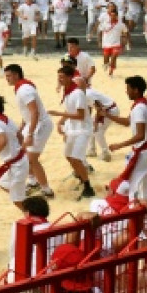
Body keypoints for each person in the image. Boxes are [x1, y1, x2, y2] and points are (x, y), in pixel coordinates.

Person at [107, 76, 147, 202]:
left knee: (134, 188)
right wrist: (107, 115)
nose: (126, 91)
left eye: (128, 89)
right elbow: (128, 122)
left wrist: (119, 145)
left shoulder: (139, 108)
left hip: (145, 152)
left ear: (136, 90)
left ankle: (137, 218)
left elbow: (140, 135)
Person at [5, 65, 55, 198]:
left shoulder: (24, 90)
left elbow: (35, 112)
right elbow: (27, 112)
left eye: (8, 76)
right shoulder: (22, 87)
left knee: (32, 159)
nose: (7, 79)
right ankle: (33, 182)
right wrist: (22, 128)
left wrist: (30, 134)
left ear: (16, 75)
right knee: (25, 156)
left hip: (40, 125)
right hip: (34, 123)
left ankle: (47, 190)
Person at [49, 64, 95, 199]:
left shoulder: (78, 93)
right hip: (73, 129)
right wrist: (61, 121)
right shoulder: (68, 92)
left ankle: (88, 186)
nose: (60, 80)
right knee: (69, 156)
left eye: (62, 77)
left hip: (83, 130)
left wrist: (58, 114)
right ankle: (82, 179)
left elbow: (80, 115)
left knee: (76, 158)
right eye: (58, 77)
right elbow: (70, 111)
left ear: (70, 77)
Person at [0, 92, 30, 209]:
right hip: (19, 160)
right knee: (2, 183)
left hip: (16, 164)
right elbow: (19, 135)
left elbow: (2, 140)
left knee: (17, 201)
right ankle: (23, 195)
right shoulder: (6, 118)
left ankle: (32, 216)